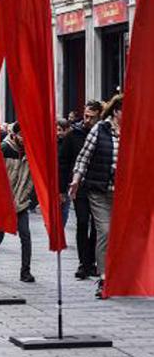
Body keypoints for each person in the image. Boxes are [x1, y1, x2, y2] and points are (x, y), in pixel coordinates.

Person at [69, 95, 121, 299]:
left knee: (120, 235)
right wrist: (75, 180)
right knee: (105, 231)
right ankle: (104, 278)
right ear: (116, 111)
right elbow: (83, 158)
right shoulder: (100, 129)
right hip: (99, 190)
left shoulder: (133, 130)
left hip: (122, 193)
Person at [0, 122, 35, 283]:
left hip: (21, 199)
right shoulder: (4, 148)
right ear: (15, 134)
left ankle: (25, 271)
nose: (25, 139)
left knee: (25, 235)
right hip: (4, 200)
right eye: (22, 136)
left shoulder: (30, 151)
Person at [60, 100, 102, 280]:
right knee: (82, 222)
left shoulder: (103, 133)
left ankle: (91, 261)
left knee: (98, 226)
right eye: (85, 116)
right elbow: (63, 162)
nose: (87, 120)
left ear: (99, 115)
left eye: (91, 117)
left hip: (98, 186)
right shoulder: (73, 135)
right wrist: (61, 189)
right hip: (79, 187)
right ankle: (83, 263)